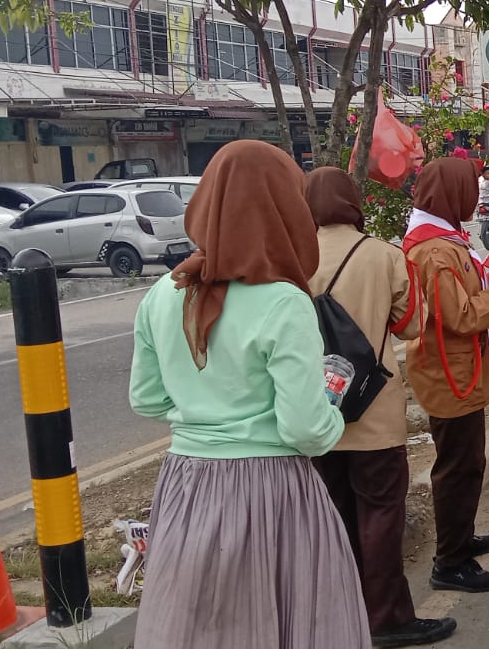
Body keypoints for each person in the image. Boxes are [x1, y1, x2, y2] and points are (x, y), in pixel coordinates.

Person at [128, 141, 368, 648]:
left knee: (200, 629)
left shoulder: (163, 293)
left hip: (185, 486)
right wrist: (332, 417)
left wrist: (205, 416)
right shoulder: (284, 301)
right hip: (271, 490)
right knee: (287, 621)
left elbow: (146, 399)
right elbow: (305, 429)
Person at [303, 167, 453, 647]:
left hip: (312, 409)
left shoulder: (291, 256)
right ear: (354, 202)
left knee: (335, 514)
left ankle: (342, 613)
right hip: (372, 409)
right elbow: (410, 326)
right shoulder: (384, 256)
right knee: (381, 513)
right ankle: (386, 617)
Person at [403, 158, 489, 592]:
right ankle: (449, 561)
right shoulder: (437, 251)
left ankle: (460, 537)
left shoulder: (442, 240)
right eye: (469, 189)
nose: (475, 198)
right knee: (458, 467)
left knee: (466, 461)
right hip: (449, 373)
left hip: (455, 368)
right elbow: (461, 315)